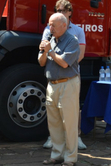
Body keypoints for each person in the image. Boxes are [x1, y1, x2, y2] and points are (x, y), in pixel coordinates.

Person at [42, 0, 87, 150]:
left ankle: (76, 137)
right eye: (56, 10)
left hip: (71, 75)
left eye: (61, 10)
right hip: (54, 76)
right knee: (54, 113)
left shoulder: (77, 32)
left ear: (69, 12)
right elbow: (44, 50)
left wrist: (67, 62)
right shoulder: (49, 30)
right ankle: (53, 139)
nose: (58, 13)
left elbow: (79, 55)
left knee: (72, 111)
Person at [38, 13, 80, 166]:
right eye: (49, 25)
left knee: (69, 123)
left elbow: (63, 63)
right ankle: (57, 155)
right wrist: (44, 51)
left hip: (68, 84)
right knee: (54, 122)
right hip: (52, 85)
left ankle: (70, 158)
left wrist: (49, 51)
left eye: (53, 25)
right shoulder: (49, 40)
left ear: (64, 25)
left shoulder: (72, 41)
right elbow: (41, 62)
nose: (50, 28)